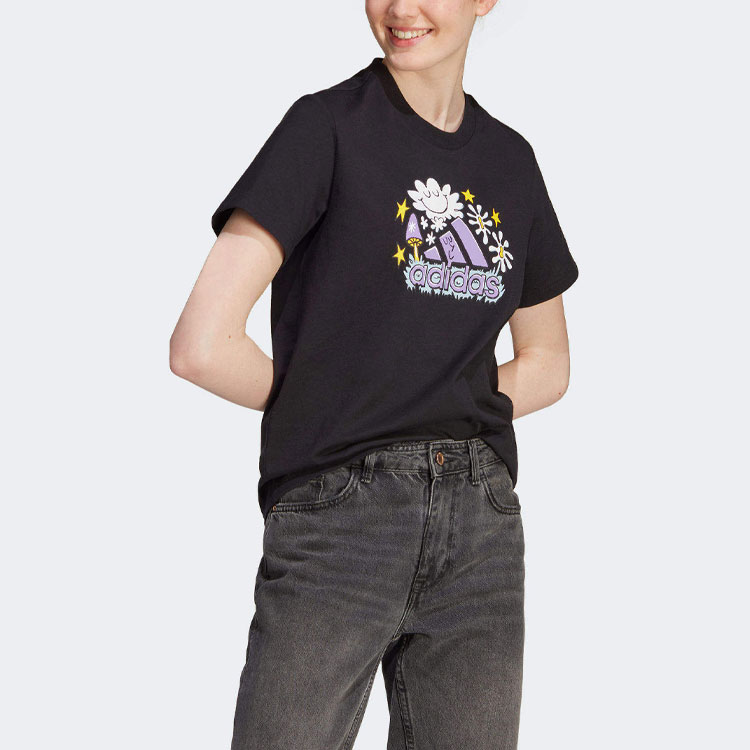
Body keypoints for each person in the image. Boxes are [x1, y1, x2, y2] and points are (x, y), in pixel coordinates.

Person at [170, 1, 579, 747]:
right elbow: (202, 343)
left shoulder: (511, 163)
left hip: (481, 529)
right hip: (343, 516)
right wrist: (345, 407)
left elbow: (548, 363)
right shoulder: (325, 129)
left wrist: (435, 402)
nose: (399, 8)